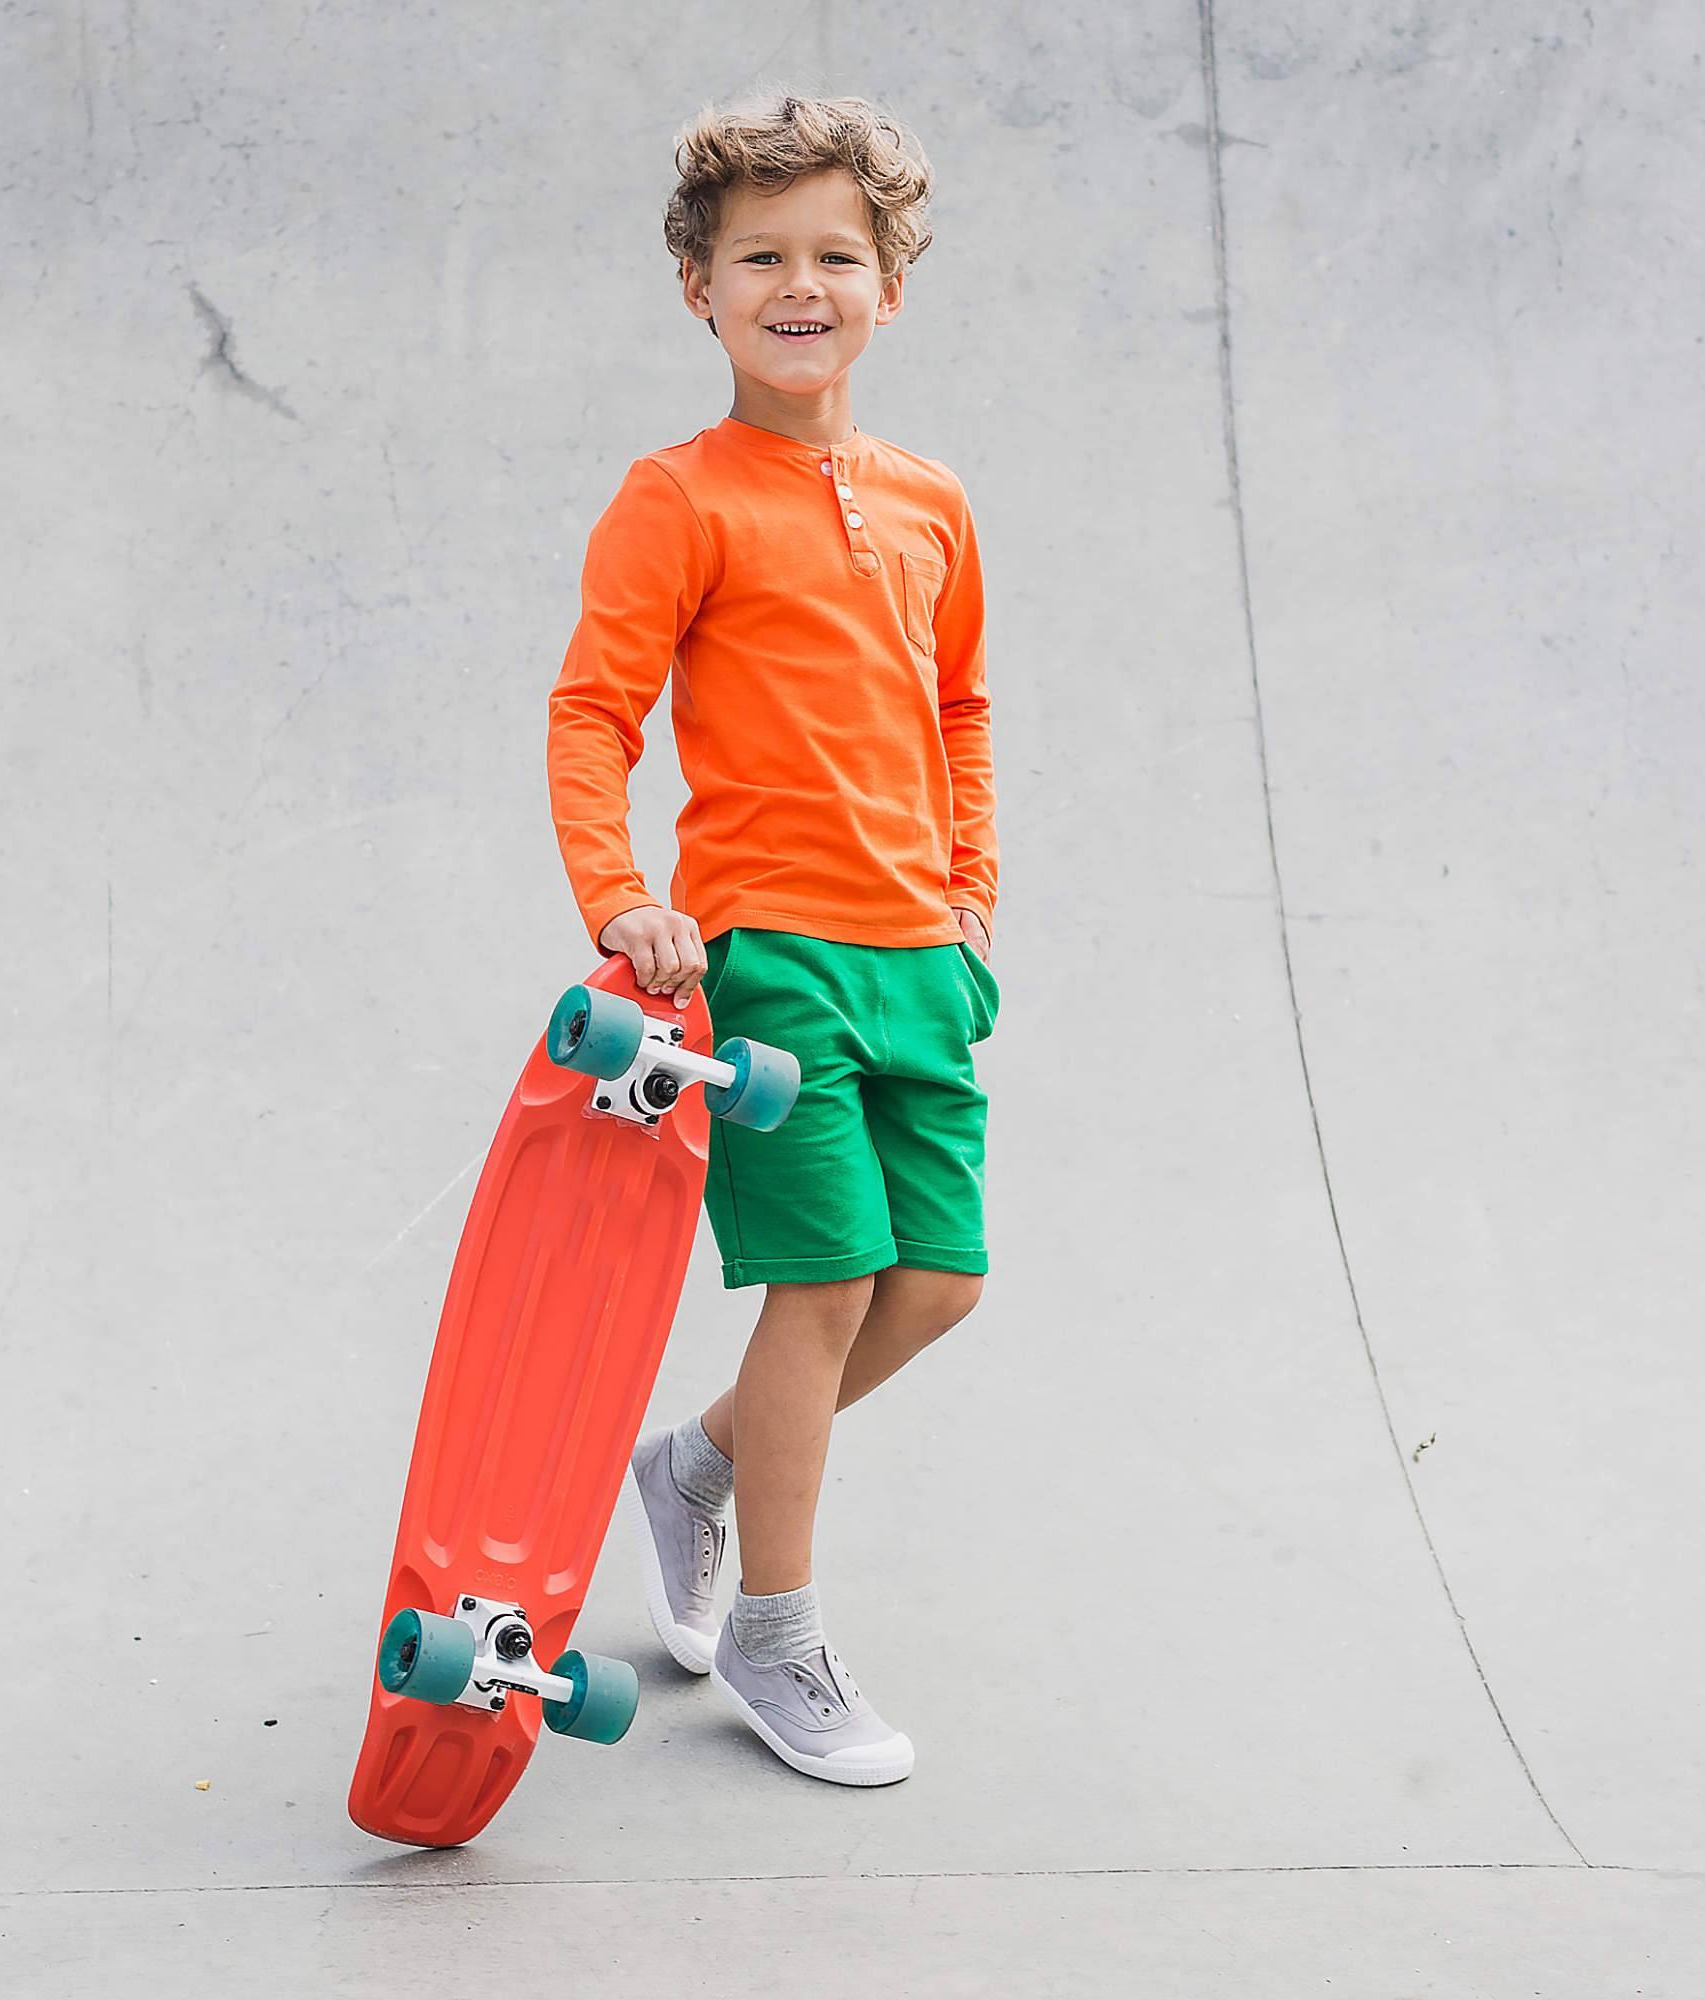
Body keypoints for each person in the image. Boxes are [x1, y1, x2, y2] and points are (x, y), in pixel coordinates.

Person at [545, 87, 999, 1788]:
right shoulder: (678, 498)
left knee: (934, 1281)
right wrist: (622, 899)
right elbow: (594, 715)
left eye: (837, 253)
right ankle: (776, 1633)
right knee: (822, 1283)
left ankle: (694, 1469)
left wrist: (974, 895)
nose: (800, 284)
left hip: (917, 956)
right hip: (771, 958)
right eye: (761, 258)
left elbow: (959, 708)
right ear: (699, 286)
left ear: (890, 282)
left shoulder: (934, 499)